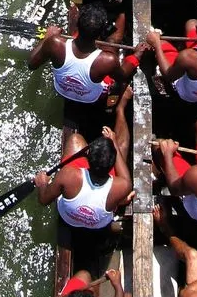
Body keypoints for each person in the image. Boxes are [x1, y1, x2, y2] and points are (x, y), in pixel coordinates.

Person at [35, 91, 133, 229]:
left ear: (88, 160)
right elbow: (126, 178)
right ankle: (120, 109)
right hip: (99, 224)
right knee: (122, 147)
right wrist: (114, 142)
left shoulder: (68, 174)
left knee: (76, 139)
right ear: (112, 165)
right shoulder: (122, 186)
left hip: (68, 217)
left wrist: (42, 184)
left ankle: (120, 110)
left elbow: (44, 200)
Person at [27, 3, 125, 103]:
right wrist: (136, 56)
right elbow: (122, 77)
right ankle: (123, 12)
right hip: (92, 98)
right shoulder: (108, 60)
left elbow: (31, 65)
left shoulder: (54, 43)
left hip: (61, 90)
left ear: (78, 24)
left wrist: (47, 37)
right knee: (111, 44)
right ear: (103, 32)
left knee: (73, 14)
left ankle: (75, 15)